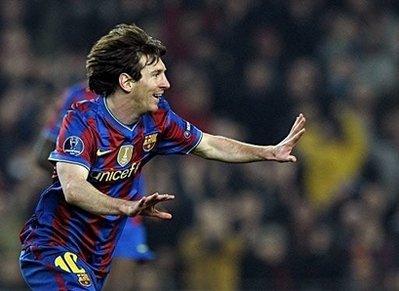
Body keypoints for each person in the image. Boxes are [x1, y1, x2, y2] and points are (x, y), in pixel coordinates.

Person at [19, 23, 306, 290]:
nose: (166, 83)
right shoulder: (82, 120)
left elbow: (209, 144)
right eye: (156, 74)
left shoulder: (157, 119)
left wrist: (267, 151)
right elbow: (73, 188)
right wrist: (125, 206)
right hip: (54, 245)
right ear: (127, 82)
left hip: (96, 255)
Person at [35, 82, 154, 289]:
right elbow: (42, 153)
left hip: (126, 208)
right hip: (84, 211)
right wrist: (81, 177)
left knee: (122, 280)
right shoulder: (77, 96)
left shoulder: (145, 96)